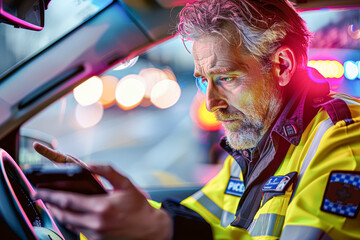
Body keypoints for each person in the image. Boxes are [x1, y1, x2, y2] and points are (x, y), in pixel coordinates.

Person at [34, 0, 360, 239]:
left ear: (283, 67)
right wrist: (101, 199)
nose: (211, 103)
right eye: (204, 80)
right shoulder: (256, 145)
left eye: (226, 78)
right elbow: (197, 219)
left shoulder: (343, 138)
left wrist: (162, 230)